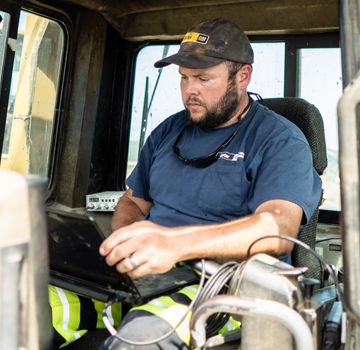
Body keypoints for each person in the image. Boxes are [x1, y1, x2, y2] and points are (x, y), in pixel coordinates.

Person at [50, 18, 321, 349]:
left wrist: (174, 244)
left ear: (243, 76)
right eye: (184, 78)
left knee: (140, 338)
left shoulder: (279, 140)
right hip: (148, 273)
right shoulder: (168, 131)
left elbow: (277, 229)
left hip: (221, 285)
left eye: (203, 78)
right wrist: (127, 242)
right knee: (23, 301)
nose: (190, 90)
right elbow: (133, 203)